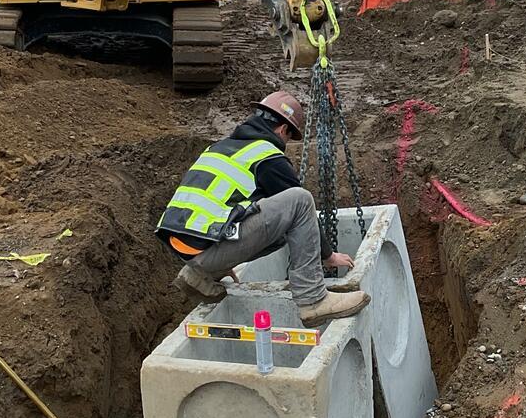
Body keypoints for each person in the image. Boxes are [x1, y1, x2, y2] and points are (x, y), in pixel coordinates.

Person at [156, 90, 370, 325]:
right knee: (300, 200)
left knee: (280, 230)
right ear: (283, 129)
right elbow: (297, 208)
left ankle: (198, 275)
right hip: (207, 250)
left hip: (185, 246)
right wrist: (328, 255)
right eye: (289, 137)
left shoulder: (219, 148)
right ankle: (313, 300)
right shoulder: (267, 156)